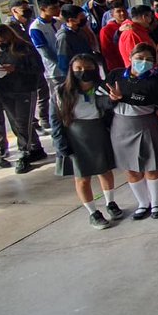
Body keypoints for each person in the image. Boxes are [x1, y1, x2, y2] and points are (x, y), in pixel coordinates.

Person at [50, 54, 123, 229]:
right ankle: (92, 212)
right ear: (71, 70)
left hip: (98, 131)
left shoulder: (103, 87)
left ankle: (110, 202)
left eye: (88, 68)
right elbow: (55, 119)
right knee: (82, 177)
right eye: (79, 69)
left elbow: (109, 108)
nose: (84, 72)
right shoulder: (61, 92)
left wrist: (113, 99)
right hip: (76, 137)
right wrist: (60, 143)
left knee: (104, 171)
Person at [105, 43, 158, 220]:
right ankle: (143, 203)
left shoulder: (156, 81)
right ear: (130, 58)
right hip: (121, 126)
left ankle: (156, 202)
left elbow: (157, 104)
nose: (144, 62)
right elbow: (103, 101)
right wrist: (113, 99)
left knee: (151, 166)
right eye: (139, 58)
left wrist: (125, 98)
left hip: (146, 124)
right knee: (131, 169)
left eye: (149, 60)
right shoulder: (116, 75)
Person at [0, 24, 45, 172]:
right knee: (15, 123)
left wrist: (16, 69)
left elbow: (39, 68)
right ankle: (35, 147)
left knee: (23, 122)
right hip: (4, 90)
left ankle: (24, 153)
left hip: (24, 89)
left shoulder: (24, 48)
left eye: (1, 40)